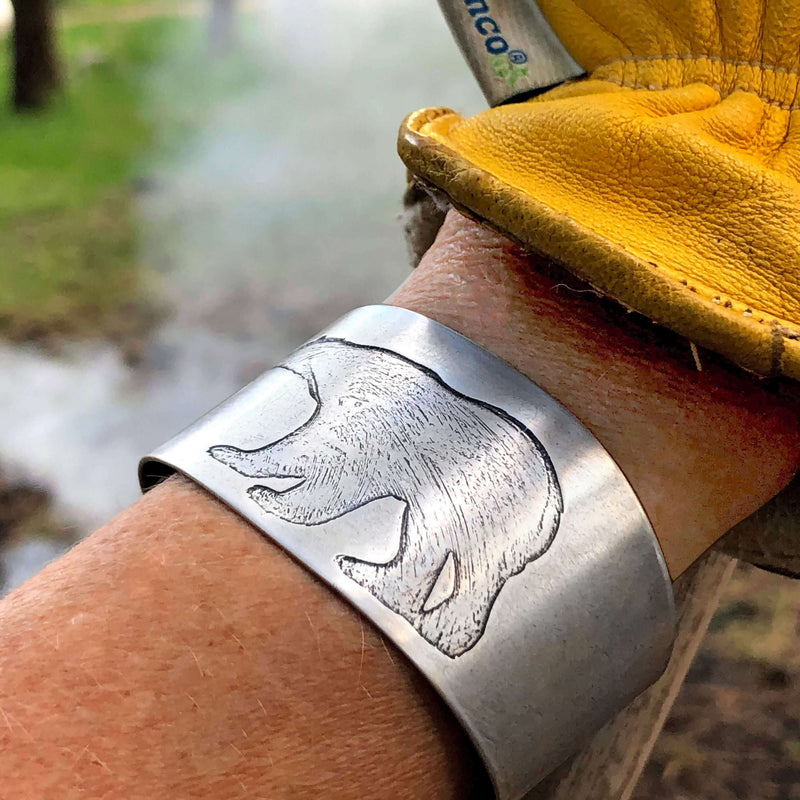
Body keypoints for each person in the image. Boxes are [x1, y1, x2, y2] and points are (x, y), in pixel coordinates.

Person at [0, 207, 798, 799]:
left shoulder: (368, 412)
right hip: (520, 471)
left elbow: (337, 473)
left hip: (509, 488)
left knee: (456, 566)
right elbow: (336, 465)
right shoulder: (364, 407)